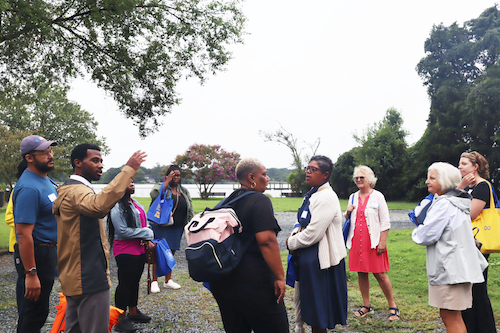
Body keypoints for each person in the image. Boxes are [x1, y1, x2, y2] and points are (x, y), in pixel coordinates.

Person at [53, 143, 147, 333]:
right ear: (78, 163)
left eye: (101, 161)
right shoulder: (77, 191)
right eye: (95, 161)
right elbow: (98, 206)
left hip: (74, 275)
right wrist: (128, 170)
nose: (100, 165)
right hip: (88, 277)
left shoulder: (68, 189)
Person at [208, 158, 288, 333]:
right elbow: (267, 240)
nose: (267, 179)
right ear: (252, 177)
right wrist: (280, 277)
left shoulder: (226, 202)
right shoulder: (260, 200)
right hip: (255, 283)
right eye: (264, 174)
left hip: (223, 282)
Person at [412, 162, 488, 333]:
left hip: (449, 270)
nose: (427, 181)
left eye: (432, 178)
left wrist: (416, 231)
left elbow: (426, 235)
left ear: (444, 181)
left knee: (450, 316)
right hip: (458, 268)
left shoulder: (444, 204)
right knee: (453, 315)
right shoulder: (457, 202)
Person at [286, 155, 348, 333]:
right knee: (311, 308)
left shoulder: (326, 196)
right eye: (307, 168)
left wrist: (292, 242)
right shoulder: (313, 194)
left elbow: (314, 232)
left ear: (325, 175)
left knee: (318, 313)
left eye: (313, 169)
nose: (308, 172)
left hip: (321, 262)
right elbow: (302, 223)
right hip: (309, 258)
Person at [12, 135, 58, 332]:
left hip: (47, 253)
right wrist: (31, 273)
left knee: (40, 311)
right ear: (29, 158)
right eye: (44, 152)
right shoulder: (29, 187)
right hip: (36, 254)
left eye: (50, 151)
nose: (50, 155)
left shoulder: (45, 180)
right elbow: (23, 234)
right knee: (32, 313)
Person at [344, 165, 399, 320]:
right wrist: (347, 211)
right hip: (356, 241)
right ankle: (366, 305)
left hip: (373, 242)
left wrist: (382, 242)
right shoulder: (353, 196)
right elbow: (349, 219)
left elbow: (385, 221)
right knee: (361, 273)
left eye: (362, 177)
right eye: (357, 178)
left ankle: (393, 305)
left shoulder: (378, 196)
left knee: (380, 274)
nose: (359, 180)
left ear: (370, 179)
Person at [457, 151, 497, 332]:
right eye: (459, 164)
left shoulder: (482, 186)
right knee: (469, 289)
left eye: (464, 163)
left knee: (478, 290)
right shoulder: (469, 188)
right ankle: (471, 326)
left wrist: (460, 188)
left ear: (476, 167)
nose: (460, 167)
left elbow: (469, 214)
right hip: (468, 243)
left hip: (478, 244)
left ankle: (485, 328)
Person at [108, 181, 155, 332]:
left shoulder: (135, 203)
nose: (132, 185)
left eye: (133, 182)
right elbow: (122, 231)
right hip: (125, 250)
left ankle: (133, 311)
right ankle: (119, 318)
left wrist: (147, 238)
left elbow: (144, 223)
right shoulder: (116, 206)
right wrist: (146, 233)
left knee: (135, 281)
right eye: (128, 182)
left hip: (139, 249)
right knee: (125, 284)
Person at [148, 165, 194, 292]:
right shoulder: (161, 187)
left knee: (170, 253)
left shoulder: (183, 190)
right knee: (158, 252)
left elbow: (190, 206)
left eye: (178, 175)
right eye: (173, 175)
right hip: (161, 226)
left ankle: (168, 280)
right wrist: (166, 181)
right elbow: (153, 194)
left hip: (177, 227)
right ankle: (154, 281)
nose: (176, 177)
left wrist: (191, 222)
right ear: (168, 176)